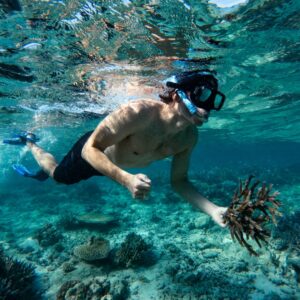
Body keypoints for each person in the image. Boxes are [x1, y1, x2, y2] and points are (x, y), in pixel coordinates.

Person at [3, 70, 228, 227]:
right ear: (178, 93)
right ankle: (31, 142)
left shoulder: (189, 137)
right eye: (201, 96)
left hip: (116, 167)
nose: (206, 109)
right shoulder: (140, 112)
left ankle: (32, 144)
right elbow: (89, 150)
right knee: (58, 176)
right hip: (94, 154)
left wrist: (213, 209)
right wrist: (126, 180)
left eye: (213, 101)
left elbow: (179, 181)